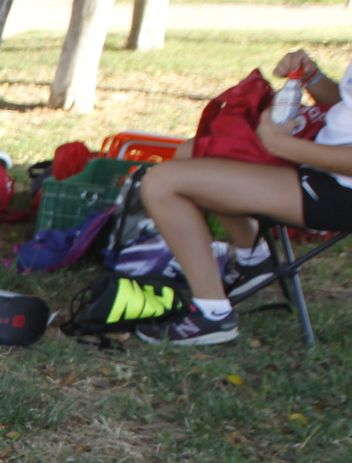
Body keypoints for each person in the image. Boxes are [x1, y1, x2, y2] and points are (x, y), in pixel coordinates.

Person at [137, 49, 352, 345]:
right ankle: (253, 259)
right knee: (196, 152)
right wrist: (312, 77)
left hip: (339, 191)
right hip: (322, 162)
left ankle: (211, 315)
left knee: (162, 184)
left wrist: (283, 146)